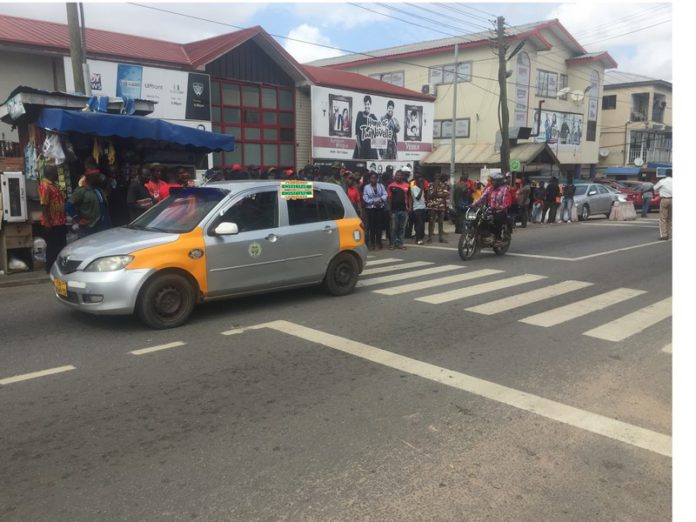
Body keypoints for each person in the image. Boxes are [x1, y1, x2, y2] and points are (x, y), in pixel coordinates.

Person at [38, 164, 67, 273]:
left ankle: (59, 268)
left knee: (61, 246)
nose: (57, 174)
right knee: (53, 247)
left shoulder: (53, 185)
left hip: (59, 221)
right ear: (51, 173)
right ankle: (50, 268)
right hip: (52, 223)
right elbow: (44, 205)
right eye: (55, 172)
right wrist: (47, 222)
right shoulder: (45, 186)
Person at [68, 167, 110, 237]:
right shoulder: (81, 191)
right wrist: (77, 219)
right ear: (91, 178)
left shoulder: (99, 190)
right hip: (90, 228)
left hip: (103, 227)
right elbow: (68, 205)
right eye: (97, 176)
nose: (99, 178)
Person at [472, 172, 513, 245]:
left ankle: (498, 238)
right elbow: (482, 198)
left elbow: (506, 201)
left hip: (500, 211)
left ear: (498, 181)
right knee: (481, 218)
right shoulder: (489, 188)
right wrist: (473, 204)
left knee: (497, 221)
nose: (490, 182)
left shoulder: (505, 189)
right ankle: (485, 235)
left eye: (492, 181)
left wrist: (500, 207)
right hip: (490, 209)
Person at [387, 169, 411, 250]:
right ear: (395, 176)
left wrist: (410, 207)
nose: (398, 177)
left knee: (402, 228)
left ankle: (400, 243)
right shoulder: (391, 186)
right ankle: (392, 244)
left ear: (403, 176)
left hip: (404, 210)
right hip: (394, 210)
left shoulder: (407, 185)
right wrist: (389, 209)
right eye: (397, 175)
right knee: (394, 228)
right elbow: (389, 198)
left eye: (400, 175)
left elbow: (409, 197)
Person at [362, 173, 387, 250]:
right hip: (370, 208)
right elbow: (365, 197)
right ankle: (372, 243)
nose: (373, 179)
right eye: (372, 178)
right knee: (372, 226)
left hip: (380, 208)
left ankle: (379, 242)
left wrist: (380, 200)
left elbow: (385, 194)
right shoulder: (366, 187)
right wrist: (373, 202)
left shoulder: (381, 186)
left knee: (379, 226)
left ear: (377, 179)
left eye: (375, 178)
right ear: (369, 179)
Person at [426, 173, 451, 243]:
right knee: (431, 221)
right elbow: (429, 196)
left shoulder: (445, 185)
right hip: (432, 206)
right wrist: (436, 191)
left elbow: (446, 194)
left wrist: (437, 194)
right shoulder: (431, 184)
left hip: (441, 206)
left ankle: (441, 238)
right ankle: (430, 237)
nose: (437, 178)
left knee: (441, 222)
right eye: (436, 177)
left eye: (438, 177)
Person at [353, 95, 379, 159]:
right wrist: (359, 147)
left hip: (371, 148)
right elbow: (357, 133)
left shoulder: (373, 117)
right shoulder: (359, 114)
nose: (367, 106)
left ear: (370, 105)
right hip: (361, 146)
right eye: (365, 104)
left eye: (368, 104)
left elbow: (377, 134)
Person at [653, 169, 672, 240]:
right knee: (670, 218)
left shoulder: (662, 181)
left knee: (663, 218)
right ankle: (670, 234)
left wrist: (660, 190)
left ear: (666, 174)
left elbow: (654, 188)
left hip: (664, 199)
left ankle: (664, 235)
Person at [411, 174, 428, 245]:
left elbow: (423, 198)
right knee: (419, 224)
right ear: (416, 181)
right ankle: (418, 239)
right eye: (420, 181)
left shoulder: (422, 188)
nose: (422, 183)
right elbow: (417, 198)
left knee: (422, 224)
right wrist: (421, 189)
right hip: (417, 209)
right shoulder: (414, 188)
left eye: (422, 182)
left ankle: (420, 237)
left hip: (423, 208)